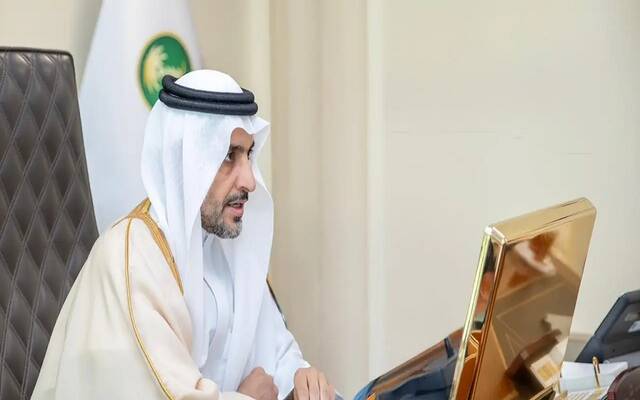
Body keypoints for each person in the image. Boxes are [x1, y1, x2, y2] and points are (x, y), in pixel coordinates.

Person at [32, 70, 335, 400]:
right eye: (228, 156)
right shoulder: (131, 259)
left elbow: (276, 358)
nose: (249, 181)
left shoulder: (230, 248)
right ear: (186, 161)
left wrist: (300, 379)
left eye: (248, 155)